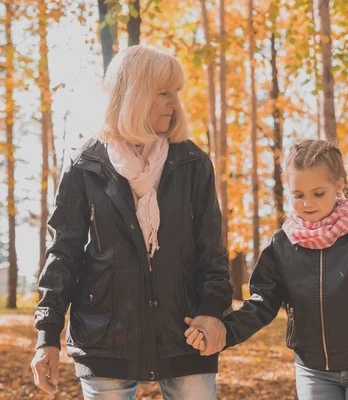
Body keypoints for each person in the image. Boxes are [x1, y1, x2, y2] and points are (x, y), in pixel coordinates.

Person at [30, 45, 232, 400]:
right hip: (104, 338)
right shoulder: (85, 165)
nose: (175, 103)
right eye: (164, 93)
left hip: (186, 335)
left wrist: (212, 312)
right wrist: (47, 336)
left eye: (176, 93)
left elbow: (212, 253)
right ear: (134, 94)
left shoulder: (193, 163)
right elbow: (63, 253)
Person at [186, 139, 348, 400]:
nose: (307, 203)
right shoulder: (281, 245)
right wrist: (225, 332)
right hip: (313, 372)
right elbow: (260, 304)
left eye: (318, 193)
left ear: (339, 186)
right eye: (298, 195)